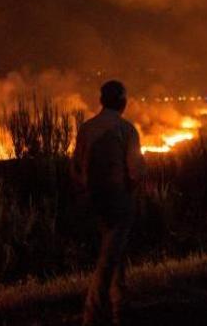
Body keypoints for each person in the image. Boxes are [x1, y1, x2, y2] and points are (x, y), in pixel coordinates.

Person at [71, 81, 145, 326]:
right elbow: (135, 172)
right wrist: (131, 194)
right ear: (122, 101)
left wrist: (86, 191)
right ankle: (91, 316)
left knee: (115, 256)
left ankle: (120, 310)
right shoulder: (127, 129)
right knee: (108, 261)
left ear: (102, 101)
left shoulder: (87, 128)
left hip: (93, 202)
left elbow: (76, 167)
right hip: (118, 202)